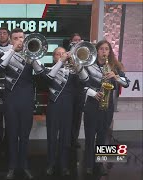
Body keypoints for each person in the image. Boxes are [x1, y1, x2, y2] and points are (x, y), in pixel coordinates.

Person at [0, 28, 45, 180]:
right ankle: (11, 167)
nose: (19, 41)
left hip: (27, 100)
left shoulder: (32, 53)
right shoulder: (4, 55)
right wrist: (12, 51)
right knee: (11, 135)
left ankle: (24, 166)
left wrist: (33, 57)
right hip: (11, 101)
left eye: (21, 38)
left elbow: (42, 75)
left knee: (24, 136)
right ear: (10, 40)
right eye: (15, 38)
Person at [83, 40, 129, 175]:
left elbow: (126, 84)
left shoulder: (115, 67)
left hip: (107, 106)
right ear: (97, 51)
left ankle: (100, 164)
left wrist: (116, 77)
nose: (104, 52)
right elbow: (81, 85)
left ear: (110, 52)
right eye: (102, 49)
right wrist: (93, 93)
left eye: (107, 49)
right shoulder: (88, 65)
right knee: (90, 137)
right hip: (92, 105)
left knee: (103, 137)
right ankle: (88, 165)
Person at [42, 47, 89, 176]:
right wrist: (61, 62)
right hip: (53, 107)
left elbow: (86, 80)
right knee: (52, 137)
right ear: (54, 57)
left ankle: (63, 165)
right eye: (58, 54)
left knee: (65, 138)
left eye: (63, 54)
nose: (61, 55)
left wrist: (77, 64)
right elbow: (48, 78)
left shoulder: (73, 72)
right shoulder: (50, 69)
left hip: (68, 108)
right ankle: (50, 164)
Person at [67, 33, 85, 149]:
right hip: (69, 88)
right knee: (68, 116)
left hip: (80, 89)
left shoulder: (84, 51)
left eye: (79, 40)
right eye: (75, 40)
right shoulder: (66, 52)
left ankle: (74, 139)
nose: (77, 42)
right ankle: (66, 138)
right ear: (71, 41)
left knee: (77, 116)